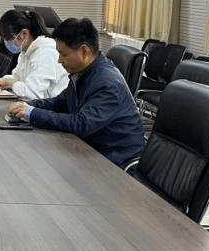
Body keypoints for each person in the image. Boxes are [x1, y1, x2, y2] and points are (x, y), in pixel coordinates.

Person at [8, 17, 144, 167]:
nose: (59, 60)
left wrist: (32, 113)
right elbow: (60, 103)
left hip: (116, 162)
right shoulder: (83, 72)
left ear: (84, 51)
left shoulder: (108, 83)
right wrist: (28, 105)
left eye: (63, 54)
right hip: (90, 149)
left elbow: (81, 124)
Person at [0, 9, 67, 99]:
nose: (7, 43)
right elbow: (18, 78)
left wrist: (9, 84)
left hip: (52, 107)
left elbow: (33, 93)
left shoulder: (46, 53)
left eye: (9, 38)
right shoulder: (26, 52)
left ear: (24, 34)